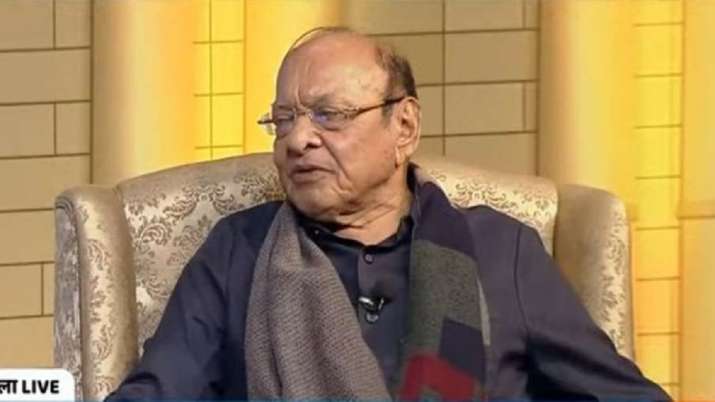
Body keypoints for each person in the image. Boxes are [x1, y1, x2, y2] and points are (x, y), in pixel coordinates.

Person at [106, 27, 670, 401]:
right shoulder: (237, 251)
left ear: (403, 126)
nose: (297, 140)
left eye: (329, 115)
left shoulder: (501, 250)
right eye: (283, 120)